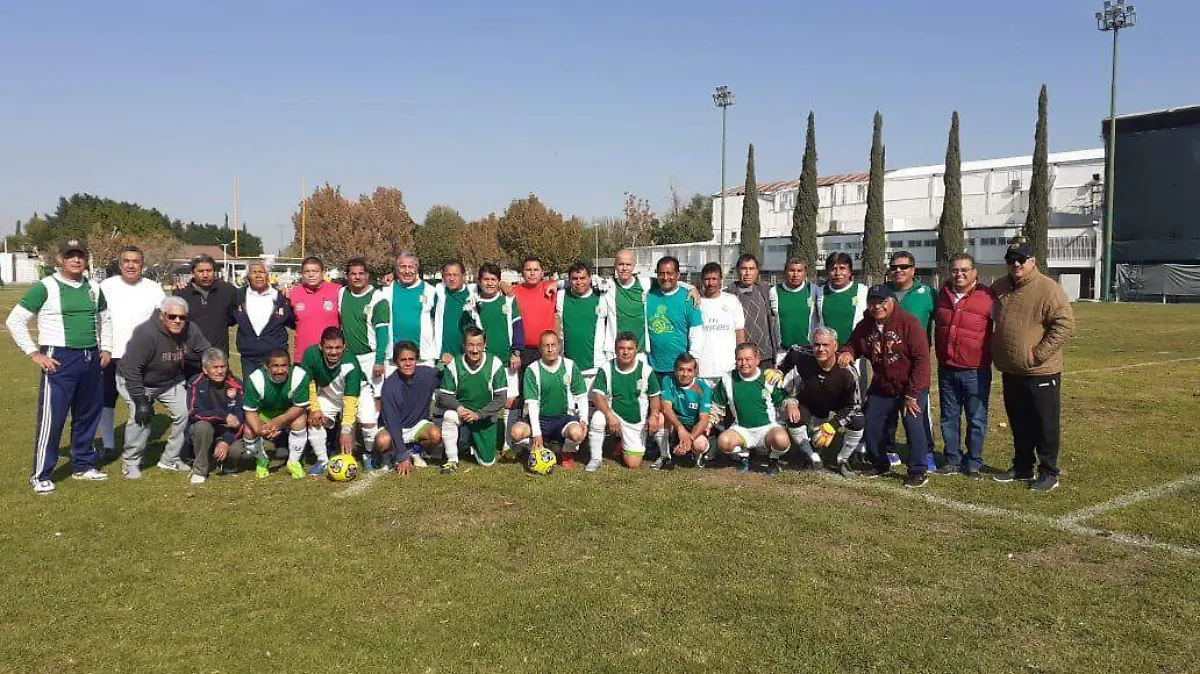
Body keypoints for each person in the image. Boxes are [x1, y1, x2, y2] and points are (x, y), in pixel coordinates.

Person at [6, 239, 113, 493]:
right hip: (59, 358)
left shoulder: (94, 287)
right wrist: (34, 353)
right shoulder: (46, 287)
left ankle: (83, 465)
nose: (76, 260)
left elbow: (105, 319)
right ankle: (41, 474)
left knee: (88, 415)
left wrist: (106, 348)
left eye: (80, 255)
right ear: (60, 259)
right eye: (70, 256)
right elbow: (15, 320)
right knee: (52, 418)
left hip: (90, 357)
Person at [991, 237, 1075, 492]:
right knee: (1018, 421)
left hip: (1040, 371)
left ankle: (1049, 472)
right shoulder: (1000, 287)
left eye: (1021, 259)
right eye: (1011, 260)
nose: (1015, 264)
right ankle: (1022, 465)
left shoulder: (1049, 289)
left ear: (1032, 261)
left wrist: (1037, 354)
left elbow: (1065, 325)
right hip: (1011, 370)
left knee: (1044, 423)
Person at [837, 285, 932, 488]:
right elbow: (853, 343)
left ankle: (918, 470)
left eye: (881, 302)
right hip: (882, 385)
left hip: (909, 386)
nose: (877, 307)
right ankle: (879, 463)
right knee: (871, 423)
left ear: (892, 302)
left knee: (914, 425)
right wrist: (847, 352)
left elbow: (922, 360)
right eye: (872, 303)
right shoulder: (866, 325)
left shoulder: (909, 323)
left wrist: (913, 394)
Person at [117, 297, 211, 477]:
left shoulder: (190, 330)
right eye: (172, 316)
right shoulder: (146, 333)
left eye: (182, 317)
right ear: (162, 316)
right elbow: (132, 369)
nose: (177, 321)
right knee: (141, 417)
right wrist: (141, 400)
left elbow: (206, 351)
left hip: (168, 381)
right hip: (136, 380)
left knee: (186, 412)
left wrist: (217, 364)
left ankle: (170, 458)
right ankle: (131, 462)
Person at [97, 245, 166, 460]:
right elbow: (96, 318)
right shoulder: (106, 286)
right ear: (120, 264)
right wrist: (100, 346)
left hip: (143, 357)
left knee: (141, 401)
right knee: (107, 400)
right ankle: (108, 445)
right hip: (111, 353)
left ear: (142, 265)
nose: (130, 265)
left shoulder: (153, 288)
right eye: (126, 261)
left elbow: (164, 319)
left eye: (135, 261)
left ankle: (137, 447)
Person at [933, 253, 995, 480]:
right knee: (949, 416)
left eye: (964, 270)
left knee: (976, 418)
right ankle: (952, 459)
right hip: (947, 368)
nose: (959, 274)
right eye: (955, 270)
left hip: (975, 369)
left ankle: (974, 462)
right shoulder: (942, 295)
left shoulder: (987, 297)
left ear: (974, 273)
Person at [777, 327, 865, 478]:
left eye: (826, 345)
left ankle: (843, 459)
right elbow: (792, 351)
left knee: (858, 421)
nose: (820, 349)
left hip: (839, 404)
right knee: (793, 418)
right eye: (817, 344)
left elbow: (855, 405)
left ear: (835, 346)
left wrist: (833, 425)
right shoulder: (802, 354)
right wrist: (780, 371)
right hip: (810, 399)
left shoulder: (848, 371)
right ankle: (813, 458)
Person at [881, 250, 938, 471]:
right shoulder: (883, 292)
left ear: (913, 269)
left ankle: (926, 452)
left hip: (916, 365)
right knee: (887, 410)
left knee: (918, 410)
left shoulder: (929, 294)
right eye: (894, 267)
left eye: (903, 267)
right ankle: (889, 448)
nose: (898, 271)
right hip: (887, 363)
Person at [464, 263, 524, 453]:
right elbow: (469, 333)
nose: (489, 283)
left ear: (499, 281)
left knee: (509, 401)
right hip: (484, 362)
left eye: (493, 279)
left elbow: (517, 327)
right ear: (479, 281)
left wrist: (516, 352)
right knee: (484, 401)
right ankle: (480, 442)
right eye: (486, 279)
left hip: (507, 359)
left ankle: (508, 443)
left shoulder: (508, 300)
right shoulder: (473, 303)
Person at [300, 327, 373, 477]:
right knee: (315, 420)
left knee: (368, 423)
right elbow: (309, 383)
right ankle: (322, 459)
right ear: (321, 346)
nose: (333, 352)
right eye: (329, 347)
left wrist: (346, 430)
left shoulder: (351, 364)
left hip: (358, 394)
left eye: (338, 347)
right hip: (329, 395)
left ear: (344, 347)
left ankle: (369, 453)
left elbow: (351, 400)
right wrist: (314, 408)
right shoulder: (311, 354)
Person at [816, 252, 870, 456]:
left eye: (842, 268)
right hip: (826, 356)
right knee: (823, 398)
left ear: (850, 272)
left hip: (853, 357)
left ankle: (857, 442)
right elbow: (817, 324)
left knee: (855, 400)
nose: (837, 273)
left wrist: (856, 351)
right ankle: (819, 439)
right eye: (833, 268)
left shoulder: (862, 291)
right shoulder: (820, 293)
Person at [510, 331, 589, 470]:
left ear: (559, 346)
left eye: (553, 345)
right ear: (540, 349)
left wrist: (583, 419)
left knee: (577, 433)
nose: (550, 349)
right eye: (546, 346)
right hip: (540, 418)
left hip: (563, 418)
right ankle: (537, 448)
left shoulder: (570, 366)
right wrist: (537, 433)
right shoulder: (532, 370)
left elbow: (581, 395)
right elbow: (532, 404)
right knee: (516, 433)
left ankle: (566, 451)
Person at [437, 327, 508, 473]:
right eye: (471, 345)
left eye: (479, 345)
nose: (475, 350)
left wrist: (479, 415)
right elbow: (443, 395)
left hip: (484, 417)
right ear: (464, 345)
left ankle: (470, 443)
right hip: (462, 413)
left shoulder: (495, 364)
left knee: (487, 462)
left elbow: (501, 399)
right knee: (449, 416)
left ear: (485, 344)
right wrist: (460, 408)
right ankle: (452, 460)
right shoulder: (454, 365)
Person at [587, 332, 662, 471]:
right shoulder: (606, 368)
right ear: (615, 350)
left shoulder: (645, 370)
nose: (625, 352)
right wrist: (609, 416)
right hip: (612, 415)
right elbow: (597, 396)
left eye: (630, 348)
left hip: (635, 420)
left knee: (633, 464)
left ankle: (622, 443)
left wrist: (654, 415)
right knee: (598, 418)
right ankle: (595, 459)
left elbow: (655, 396)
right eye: (621, 348)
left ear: (636, 350)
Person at [711, 343, 790, 475]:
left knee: (782, 440)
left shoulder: (768, 377)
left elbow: (783, 400)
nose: (744, 363)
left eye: (748, 359)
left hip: (767, 428)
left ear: (757, 359)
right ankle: (744, 456)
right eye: (740, 359)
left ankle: (773, 459)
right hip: (742, 429)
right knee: (723, 442)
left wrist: (791, 404)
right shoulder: (727, 378)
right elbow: (717, 406)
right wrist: (709, 423)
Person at [187, 348, 260, 484]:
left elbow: (241, 417)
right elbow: (194, 412)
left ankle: (226, 464)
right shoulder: (195, 382)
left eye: (223, 367)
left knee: (237, 452)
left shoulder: (236, 384)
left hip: (228, 431)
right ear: (205, 369)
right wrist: (222, 415)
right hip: (205, 428)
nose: (219, 371)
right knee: (202, 427)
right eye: (215, 367)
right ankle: (200, 469)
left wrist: (226, 441)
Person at [375, 341, 443, 474]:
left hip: (417, 425)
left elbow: (441, 374)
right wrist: (402, 456)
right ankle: (389, 455)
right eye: (403, 360)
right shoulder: (389, 386)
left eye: (411, 359)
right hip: (393, 427)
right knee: (382, 441)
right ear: (395, 362)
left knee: (435, 435)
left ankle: (415, 450)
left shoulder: (426, 375)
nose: (407, 363)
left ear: (416, 360)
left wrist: (445, 363)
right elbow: (393, 424)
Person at [242, 348, 310, 479]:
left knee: (300, 420)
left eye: (284, 366)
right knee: (248, 431)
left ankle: (293, 462)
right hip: (265, 415)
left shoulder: (299, 376)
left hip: (288, 413)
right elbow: (250, 412)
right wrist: (259, 430)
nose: (280, 371)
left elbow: (300, 406)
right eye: (275, 366)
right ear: (266, 367)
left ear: (289, 366)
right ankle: (262, 460)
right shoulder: (256, 379)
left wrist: (279, 421)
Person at [338, 258, 389, 415]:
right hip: (348, 356)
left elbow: (382, 333)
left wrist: (379, 360)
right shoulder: (342, 293)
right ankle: (347, 431)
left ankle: (374, 430)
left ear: (368, 276)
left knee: (376, 395)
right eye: (353, 274)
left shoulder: (378, 298)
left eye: (361, 273)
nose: (357, 277)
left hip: (370, 356)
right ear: (347, 276)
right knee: (347, 394)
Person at [175, 254, 237, 377]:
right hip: (191, 359)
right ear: (193, 273)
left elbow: (233, 317)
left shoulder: (228, 291)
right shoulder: (181, 293)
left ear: (214, 271)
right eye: (200, 271)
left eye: (208, 271)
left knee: (218, 394)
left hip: (219, 356)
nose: (205, 274)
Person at [646, 256, 705, 384]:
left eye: (670, 273)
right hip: (653, 367)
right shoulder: (648, 297)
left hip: (679, 369)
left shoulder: (688, 298)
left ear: (678, 274)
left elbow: (696, 333)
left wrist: (693, 360)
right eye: (661, 273)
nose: (666, 277)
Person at [556, 261, 612, 391]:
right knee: (572, 409)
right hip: (569, 365)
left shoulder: (602, 296)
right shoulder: (561, 296)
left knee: (595, 407)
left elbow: (616, 285)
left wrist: (603, 281)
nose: (579, 282)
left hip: (595, 366)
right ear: (569, 280)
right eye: (575, 279)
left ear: (590, 278)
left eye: (583, 278)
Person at [233, 261, 294, 377]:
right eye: (254, 272)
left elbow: (292, 321)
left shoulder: (281, 296)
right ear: (247, 277)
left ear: (267, 275)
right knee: (252, 392)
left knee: (277, 393)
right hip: (249, 358)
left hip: (277, 358)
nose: (258, 275)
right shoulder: (238, 296)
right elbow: (230, 317)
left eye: (261, 272)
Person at [656, 353, 713, 469]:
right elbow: (666, 408)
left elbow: (703, 421)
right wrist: (680, 428)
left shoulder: (703, 388)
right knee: (659, 419)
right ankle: (665, 456)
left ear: (695, 372)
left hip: (694, 425)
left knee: (700, 445)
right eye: (681, 370)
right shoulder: (668, 380)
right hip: (676, 424)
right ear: (675, 370)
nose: (685, 374)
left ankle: (697, 456)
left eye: (689, 370)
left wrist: (690, 439)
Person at [726, 254, 781, 368]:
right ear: (737, 271)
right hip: (742, 360)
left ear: (757, 271)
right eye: (743, 269)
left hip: (766, 357)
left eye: (751, 269)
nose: (747, 273)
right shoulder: (728, 295)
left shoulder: (766, 291)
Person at [382, 251, 438, 364]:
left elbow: (439, 321)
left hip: (423, 358)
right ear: (396, 269)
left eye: (410, 267)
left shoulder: (431, 291)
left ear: (417, 269)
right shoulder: (386, 290)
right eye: (402, 267)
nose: (407, 271)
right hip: (393, 359)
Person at [696, 262, 744, 384]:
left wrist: (741, 359)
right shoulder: (696, 303)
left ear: (721, 280)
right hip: (703, 371)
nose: (711, 283)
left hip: (728, 369)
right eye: (707, 279)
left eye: (714, 279)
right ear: (702, 280)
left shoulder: (732, 301)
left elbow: (739, 332)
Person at [288, 257, 341, 361]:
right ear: (302, 274)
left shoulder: (337, 290)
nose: (311, 275)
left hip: (331, 354)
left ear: (323, 273)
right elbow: (291, 321)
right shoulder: (294, 293)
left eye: (315, 271)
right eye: (307, 271)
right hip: (303, 356)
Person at [509, 257, 558, 369]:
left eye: (536, 270)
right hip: (522, 351)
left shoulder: (550, 289)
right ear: (522, 273)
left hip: (546, 350)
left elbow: (573, 282)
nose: (532, 273)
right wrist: (502, 283)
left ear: (542, 273)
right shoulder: (513, 292)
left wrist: (555, 283)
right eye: (528, 270)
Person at [770, 257, 820, 361]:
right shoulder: (774, 291)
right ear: (785, 272)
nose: (795, 274)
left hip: (809, 353)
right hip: (783, 353)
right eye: (791, 270)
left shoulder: (814, 290)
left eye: (799, 271)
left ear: (805, 272)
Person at [430, 260, 474, 364]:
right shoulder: (438, 294)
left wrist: (502, 283)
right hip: (444, 358)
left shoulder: (473, 294)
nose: (452, 278)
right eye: (448, 275)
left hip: (468, 359)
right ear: (443, 276)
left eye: (455, 275)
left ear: (463, 276)